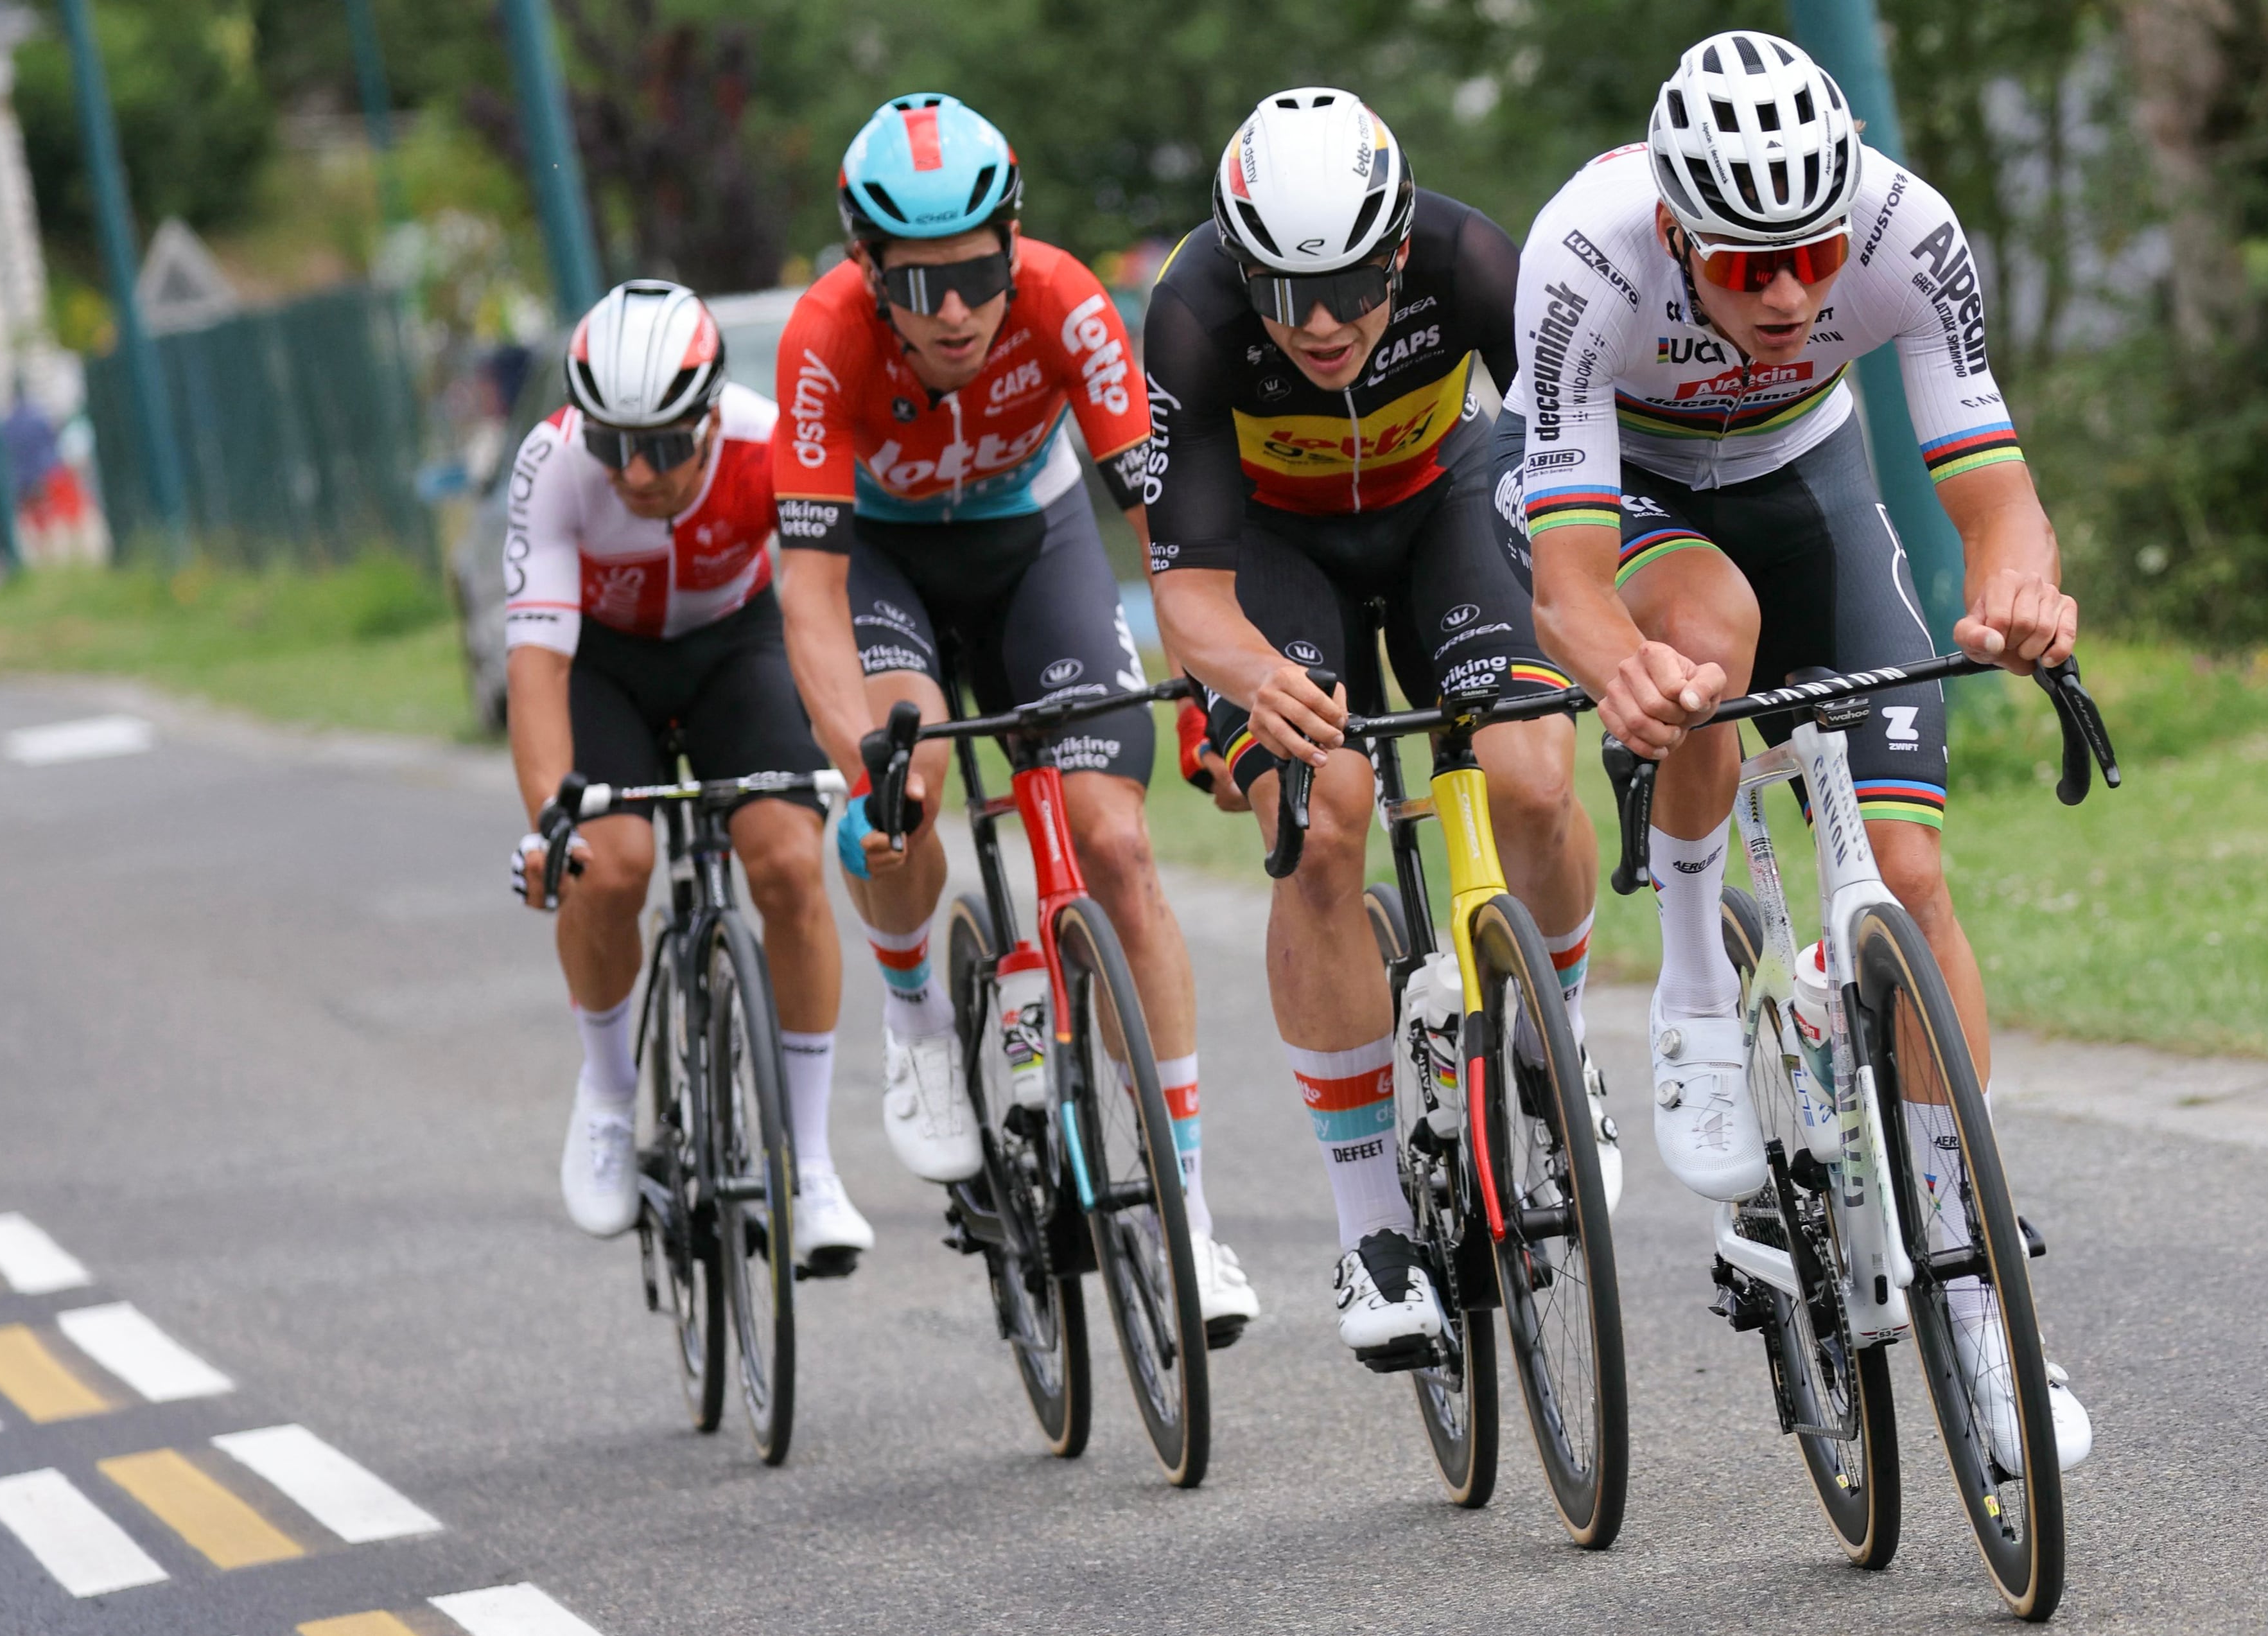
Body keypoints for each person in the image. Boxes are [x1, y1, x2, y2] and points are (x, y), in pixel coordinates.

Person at [1506, 30, 2089, 1466]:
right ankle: (1694, 984)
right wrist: (1623, 673)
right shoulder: (1583, 256)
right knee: (1704, 635)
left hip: (1800, 468)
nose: (1786, 295)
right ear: (1674, 234)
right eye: (1747, 266)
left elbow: (1995, 497)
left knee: (1909, 874)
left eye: (1812, 259)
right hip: (1620, 486)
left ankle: (1973, 1287)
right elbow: (1567, 582)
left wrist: (2018, 590)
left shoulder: (1905, 229)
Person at [771, 94, 1260, 1336]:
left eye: (978, 273)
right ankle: (919, 1022)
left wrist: (1207, 704)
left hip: (1034, 546)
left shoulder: (1066, 301)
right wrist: (861, 771)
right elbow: (810, 596)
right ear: (866, 268)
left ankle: (1192, 1218)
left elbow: (1166, 530)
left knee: (1118, 845)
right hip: (886, 565)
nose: (955, 311)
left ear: (1014, 246)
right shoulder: (824, 337)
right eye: (919, 283)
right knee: (909, 787)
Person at [1146, 89, 1604, 1368]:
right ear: (1242, 269)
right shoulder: (1190, 313)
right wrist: (1255, 680)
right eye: (1285, 295)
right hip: (1273, 551)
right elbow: (1187, 592)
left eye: (1350, 288)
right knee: (1324, 818)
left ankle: (1555, 1045)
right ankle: (1370, 1230)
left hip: (1446, 500)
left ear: (1396, 250)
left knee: (1529, 772)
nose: (1321, 324)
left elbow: (1576, 458)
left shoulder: (1469, 259)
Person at [505, 279, 871, 1271]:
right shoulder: (553, 463)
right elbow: (536, 667)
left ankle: (810, 1163)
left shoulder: (766, 442)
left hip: (733, 648)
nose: (636, 472)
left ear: (710, 415)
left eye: (665, 446)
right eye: (613, 444)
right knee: (609, 865)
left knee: (787, 862)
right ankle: (608, 1096)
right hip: (603, 665)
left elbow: (820, 612)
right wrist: (548, 827)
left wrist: (858, 762)